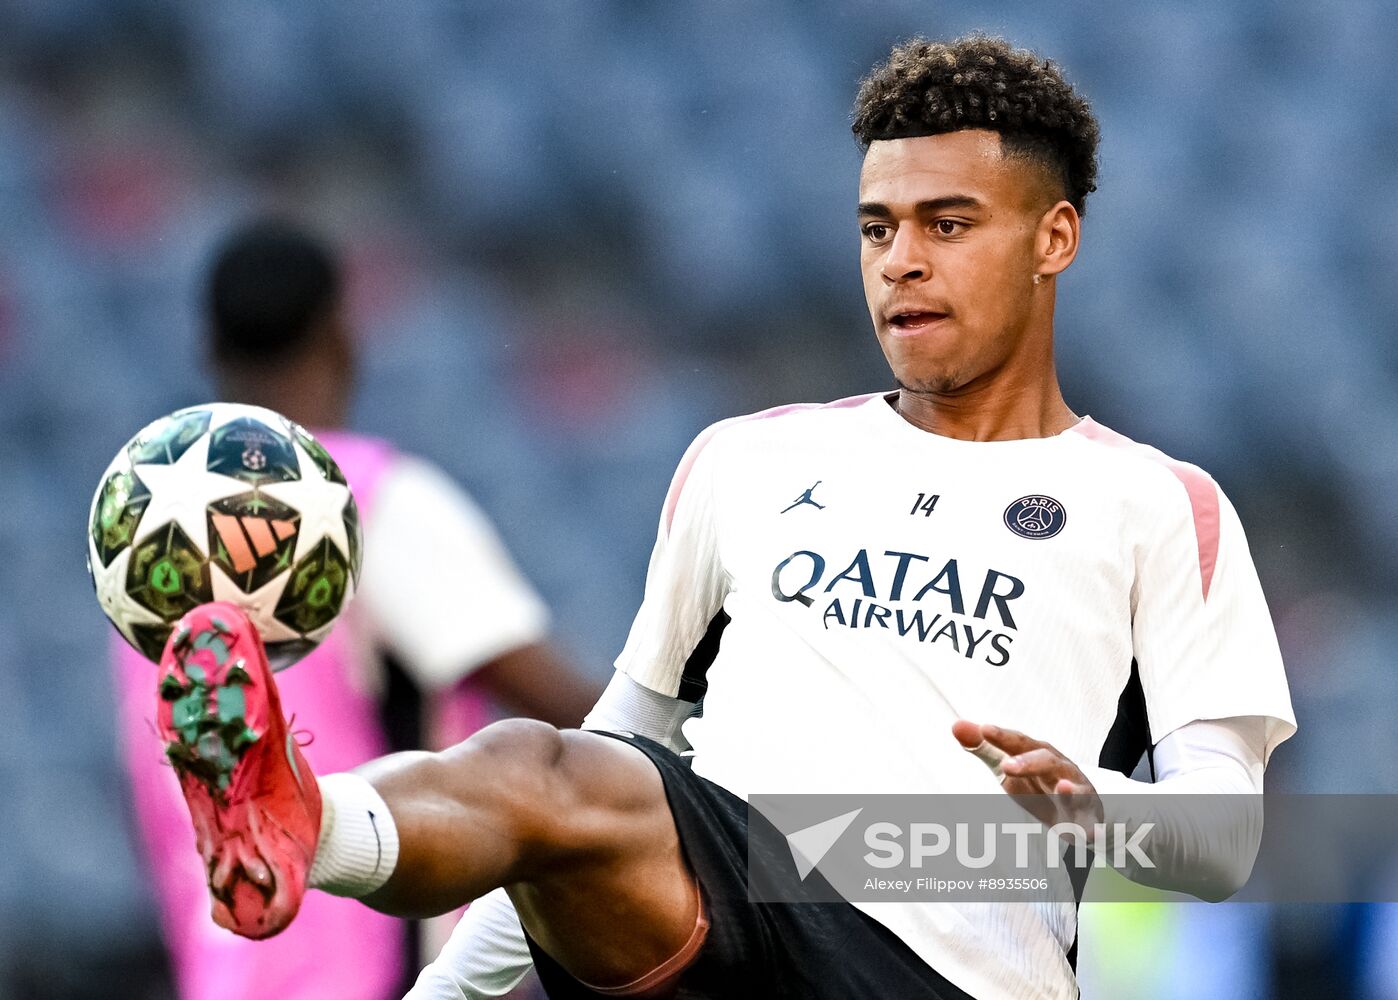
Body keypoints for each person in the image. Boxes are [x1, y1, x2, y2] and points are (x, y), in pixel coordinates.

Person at [148, 37, 1296, 1000]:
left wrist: (1105, 808)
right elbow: (574, 788)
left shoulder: (1160, 505)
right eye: (876, 227)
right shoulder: (748, 461)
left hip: (936, 971)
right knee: (545, 761)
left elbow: (1221, 838)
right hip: (722, 908)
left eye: (948, 225)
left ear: (1054, 238)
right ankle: (304, 819)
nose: (901, 262)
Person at [112, 220, 599, 1000]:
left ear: (209, 350)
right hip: (391, 966)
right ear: (342, 334)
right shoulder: (365, 501)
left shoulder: (148, 553)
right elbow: (585, 716)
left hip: (229, 974)